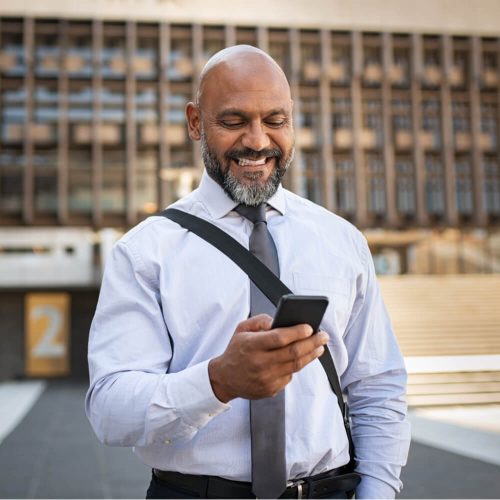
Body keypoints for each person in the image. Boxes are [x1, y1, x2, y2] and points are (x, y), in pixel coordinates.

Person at [86, 45, 410, 499]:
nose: (257, 142)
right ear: (196, 122)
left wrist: (377, 491)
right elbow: (109, 411)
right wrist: (218, 381)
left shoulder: (341, 240)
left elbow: (377, 385)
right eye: (234, 121)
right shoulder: (144, 253)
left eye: (275, 121)